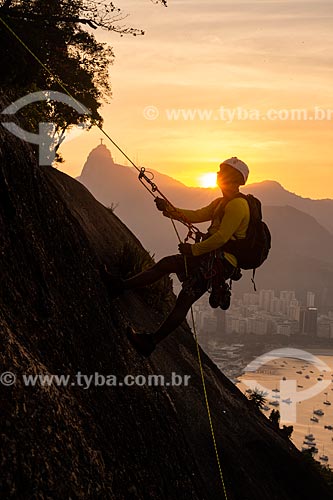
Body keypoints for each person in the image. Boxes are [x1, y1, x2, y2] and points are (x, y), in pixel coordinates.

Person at [104, 157, 250, 357]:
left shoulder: (238, 206)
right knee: (167, 265)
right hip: (210, 256)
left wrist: (193, 250)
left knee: (184, 299)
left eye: (222, 171)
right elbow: (197, 215)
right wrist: (169, 210)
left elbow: (222, 238)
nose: (217, 174)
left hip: (220, 262)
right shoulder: (221, 202)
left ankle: (150, 341)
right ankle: (119, 287)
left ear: (233, 178)